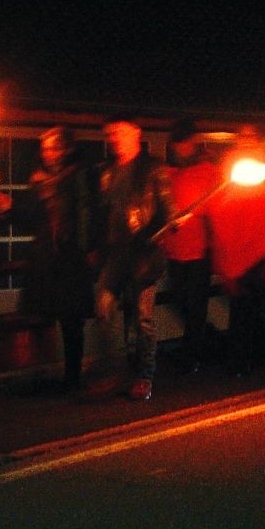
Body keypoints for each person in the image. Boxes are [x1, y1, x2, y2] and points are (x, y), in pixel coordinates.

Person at [0, 126, 99, 391]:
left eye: (54, 148)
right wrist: (10, 210)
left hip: (71, 255)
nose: (48, 154)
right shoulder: (39, 179)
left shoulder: (80, 174)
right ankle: (50, 370)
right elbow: (31, 220)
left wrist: (88, 249)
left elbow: (88, 213)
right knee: (45, 312)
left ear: (66, 149)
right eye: (45, 149)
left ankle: (73, 376)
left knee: (71, 318)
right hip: (47, 256)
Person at [95, 114, 173, 401]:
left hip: (145, 253)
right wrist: (99, 247)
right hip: (116, 254)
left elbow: (168, 211)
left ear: (136, 133)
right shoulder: (107, 171)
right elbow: (104, 212)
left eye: (121, 132)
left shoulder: (153, 169)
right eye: (111, 134)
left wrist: (149, 237)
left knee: (143, 318)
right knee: (103, 306)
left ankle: (144, 375)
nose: (115, 139)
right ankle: (113, 370)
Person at [208, 126, 265, 376]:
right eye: (242, 136)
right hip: (239, 251)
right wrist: (226, 254)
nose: (246, 141)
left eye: (251, 136)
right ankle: (240, 359)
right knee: (242, 308)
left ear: (259, 139)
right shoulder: (228, 169)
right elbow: (220, 210)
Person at [160, 120, 220, 372]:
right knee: (180, 299)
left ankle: (193, 354)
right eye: (180, 144)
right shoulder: (166, 173)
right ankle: (207, 341)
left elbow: (217, 206)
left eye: (188, 142)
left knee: (196, 304)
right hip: (174, 250)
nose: (184, 148)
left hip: (198, 250)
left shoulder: (208, 170)